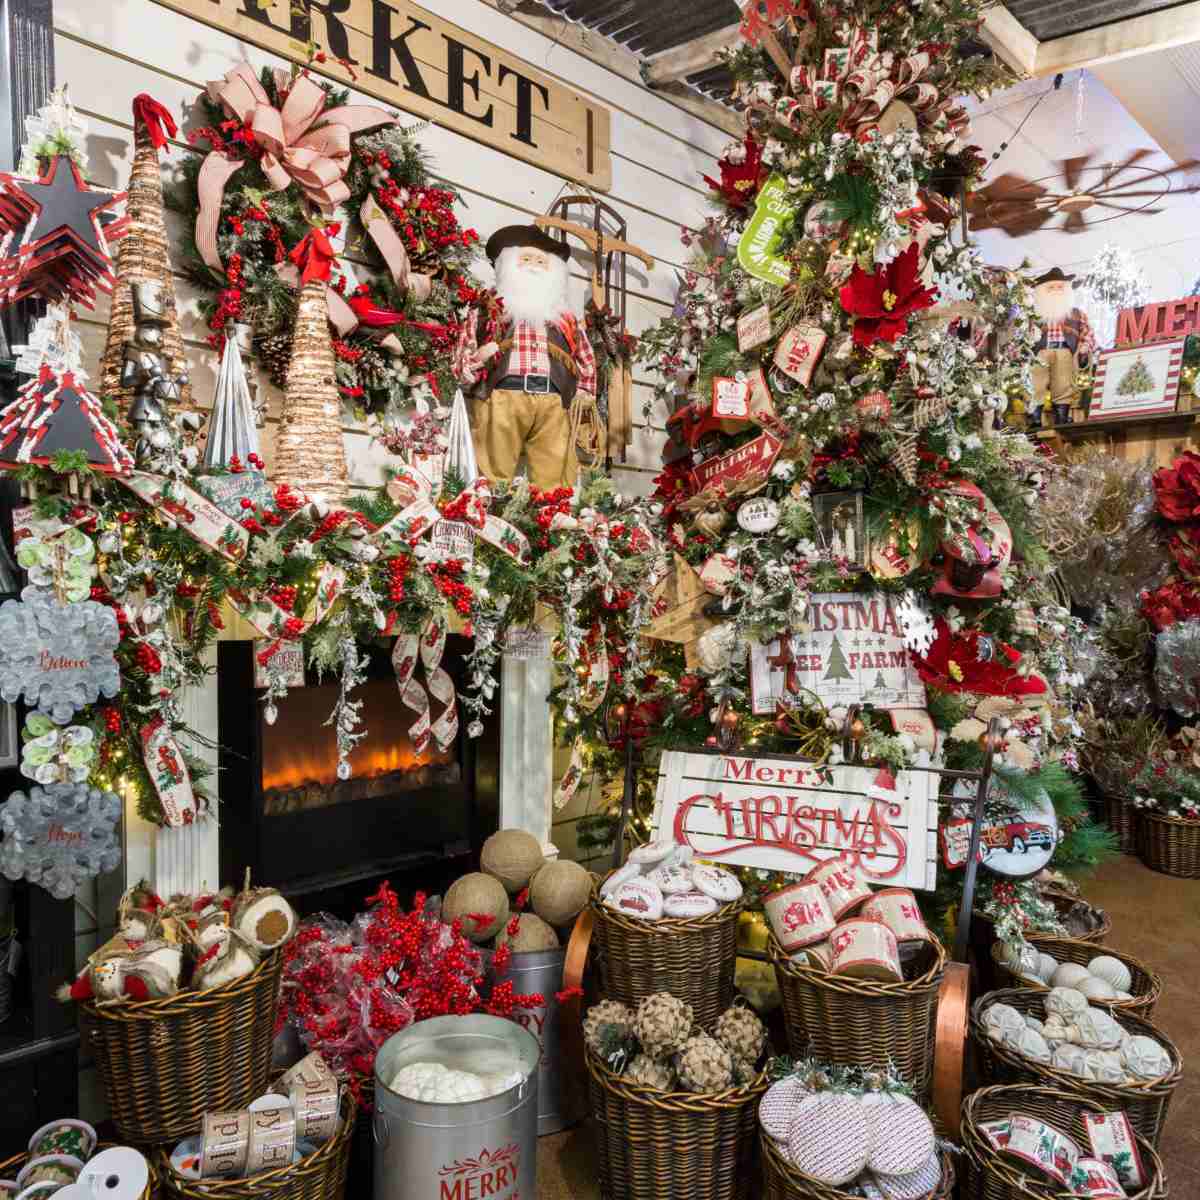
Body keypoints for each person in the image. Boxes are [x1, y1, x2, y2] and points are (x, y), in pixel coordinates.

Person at [452, 224, 596, 489]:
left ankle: (554, 522)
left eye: (541, 261)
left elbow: (585, 355)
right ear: (509, 266)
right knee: (493, 472)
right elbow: (462, 362)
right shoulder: (487, 310)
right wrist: (477, 359)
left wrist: (586, 390)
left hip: (554, 403)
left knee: (554, 478)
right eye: (526, 259)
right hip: (502, 398)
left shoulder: (565, 318)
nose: (534, 266)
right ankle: (488, 520)